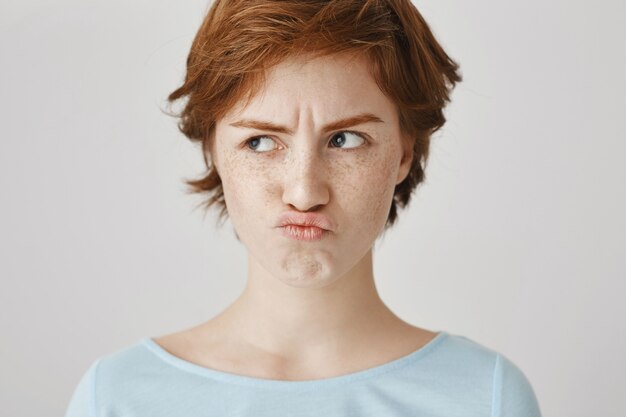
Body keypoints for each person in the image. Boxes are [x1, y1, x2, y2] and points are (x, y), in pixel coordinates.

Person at [65, 1, 542, 416]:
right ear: (214, 151)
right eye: (260, 141)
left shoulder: (485, 399)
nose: (304, 191)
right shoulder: (117, 399)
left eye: (345, 139)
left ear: (403, 153)